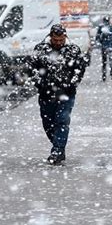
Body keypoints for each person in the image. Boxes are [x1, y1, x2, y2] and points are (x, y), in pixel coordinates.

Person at [29, 24, 88, 165]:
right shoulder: (40, 49)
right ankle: (59, 147)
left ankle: (57, 150)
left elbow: (79, 69)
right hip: (46, 93)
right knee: (48, 123)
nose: (58, 43)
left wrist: (72, 83)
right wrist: (39, 81)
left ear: (65, 37)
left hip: (66, 93)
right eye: (55, 40)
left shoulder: (73, 50)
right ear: (50, 37)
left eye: (61, 40)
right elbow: (32, 67)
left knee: (62, 120)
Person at [96, 16, 112, 82]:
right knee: (111, 62)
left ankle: (104, 75)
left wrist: (100, 44)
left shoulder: (101, 28)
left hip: (104, 47)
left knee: (104, 62)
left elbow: (98, 38)